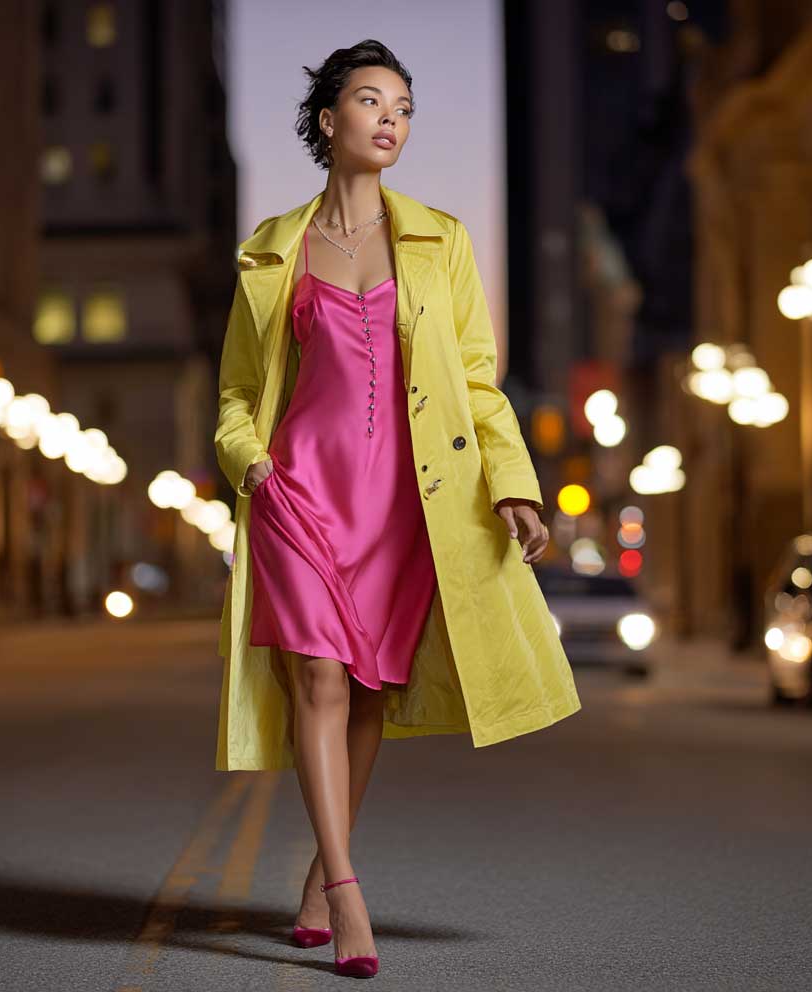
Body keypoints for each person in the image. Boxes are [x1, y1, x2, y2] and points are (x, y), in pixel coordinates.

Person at [214, 39, 581, 979]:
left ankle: (316, 876)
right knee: (319, 681)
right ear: (328, 119)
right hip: (300, 493)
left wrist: (513, 484)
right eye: (372, 101)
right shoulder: (272, 249)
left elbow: (476, 379)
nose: (391, 119)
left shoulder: (440, 239)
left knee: (369, 690)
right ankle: (346, 892)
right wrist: (253, 467)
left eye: (405, 107)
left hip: (408, 504)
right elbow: (237, 394)